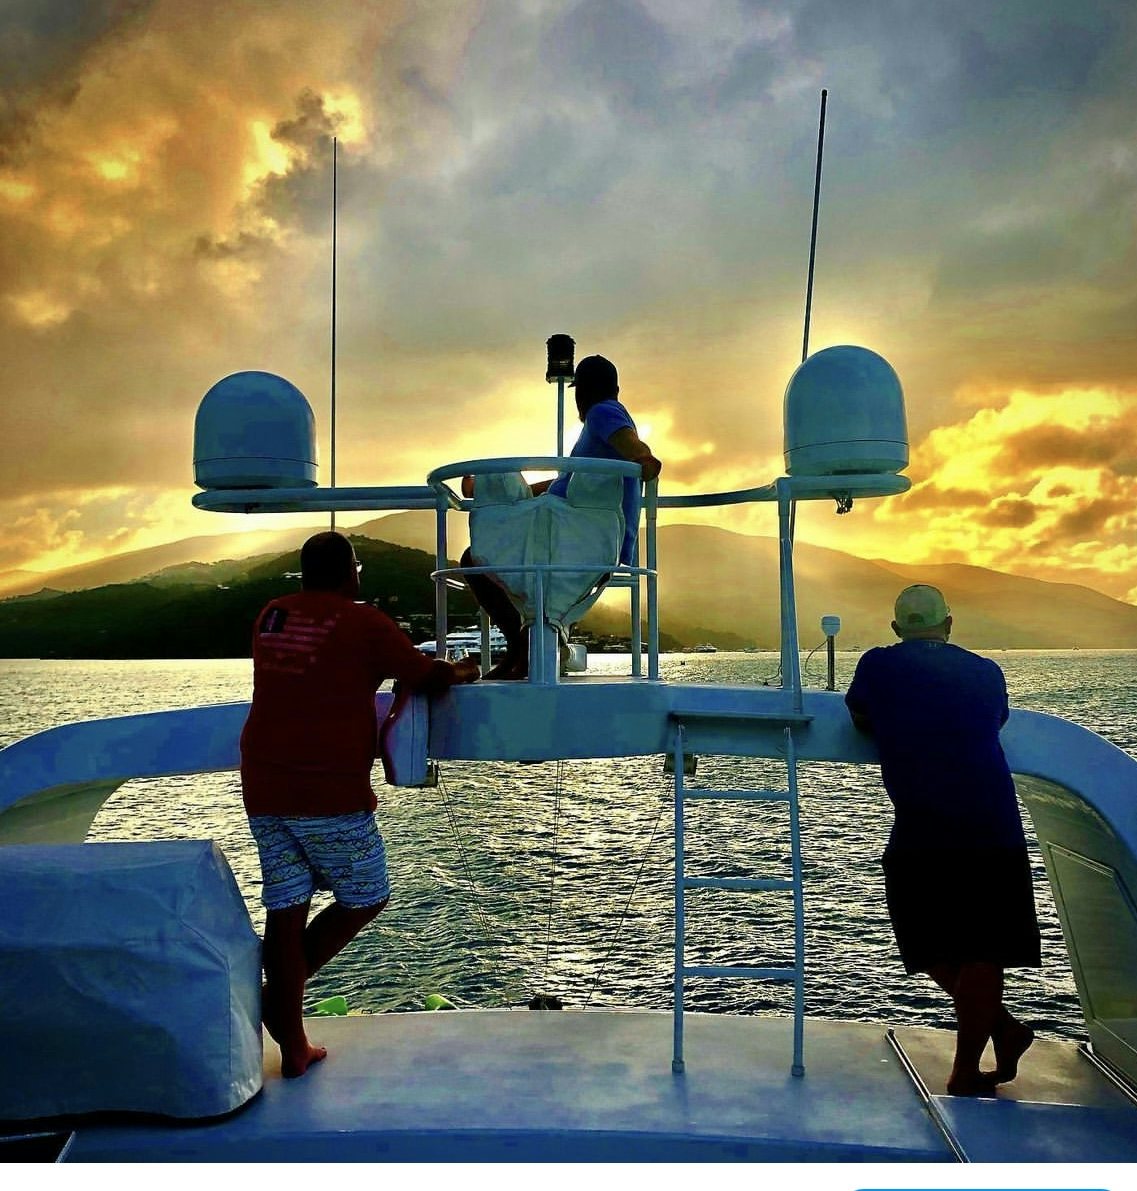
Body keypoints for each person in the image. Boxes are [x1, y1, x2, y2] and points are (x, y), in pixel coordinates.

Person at [239, 530, 480, 1078]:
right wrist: (464, 669)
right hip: (325, 792)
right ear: (350, 572)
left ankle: (293, 1042)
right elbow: (428, 676)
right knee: (366, 895)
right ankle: (280, 1002)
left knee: (286, 903)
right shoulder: (364, 622)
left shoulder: (272, 615)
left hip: (263, 786)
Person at [844, 584, 1040, 1097]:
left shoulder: (879, 665)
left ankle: (971, 1067)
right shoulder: (985, 671)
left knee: (923, 937)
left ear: (895, 629)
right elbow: (994, 721)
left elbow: (861, 716)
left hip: (921, 821)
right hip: (990, 820)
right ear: (949, 625)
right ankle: (1000, 1032)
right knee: (980, 946)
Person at [459, 354, 661, 679]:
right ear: (617, 388)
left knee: (476, 561)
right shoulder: (600, 426)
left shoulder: (602, 412)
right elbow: (563, 483)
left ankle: (520, 649)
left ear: (581, 392)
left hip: (570, 537)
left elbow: (634, 447)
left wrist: (643, 457)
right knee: (484, 561)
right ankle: (526, 648)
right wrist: (516, 487)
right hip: (573, 530)